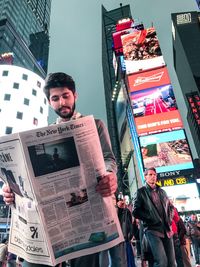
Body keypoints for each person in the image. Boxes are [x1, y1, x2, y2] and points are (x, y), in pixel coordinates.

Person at [2, 72, 118, 267]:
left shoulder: (96, 125)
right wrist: (12, 191)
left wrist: (109, 175)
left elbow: (109, 158)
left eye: (66, 96)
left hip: (87, 215)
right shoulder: (44, 134)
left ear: (75, 96)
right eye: (55, 98)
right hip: (52, 223)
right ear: (49, 102)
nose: (62, 102)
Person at [132, 167, 176, 267]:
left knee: (172, 263)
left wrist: (169, 220)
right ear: (145, 177)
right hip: (152, 230)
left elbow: (171, 208)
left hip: (166, 230)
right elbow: (135, 211)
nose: (153, 177)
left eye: (155, 175)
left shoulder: (162, 192)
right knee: (161, 262)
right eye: (150, 174)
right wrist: (151, 218)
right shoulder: (141, 192)